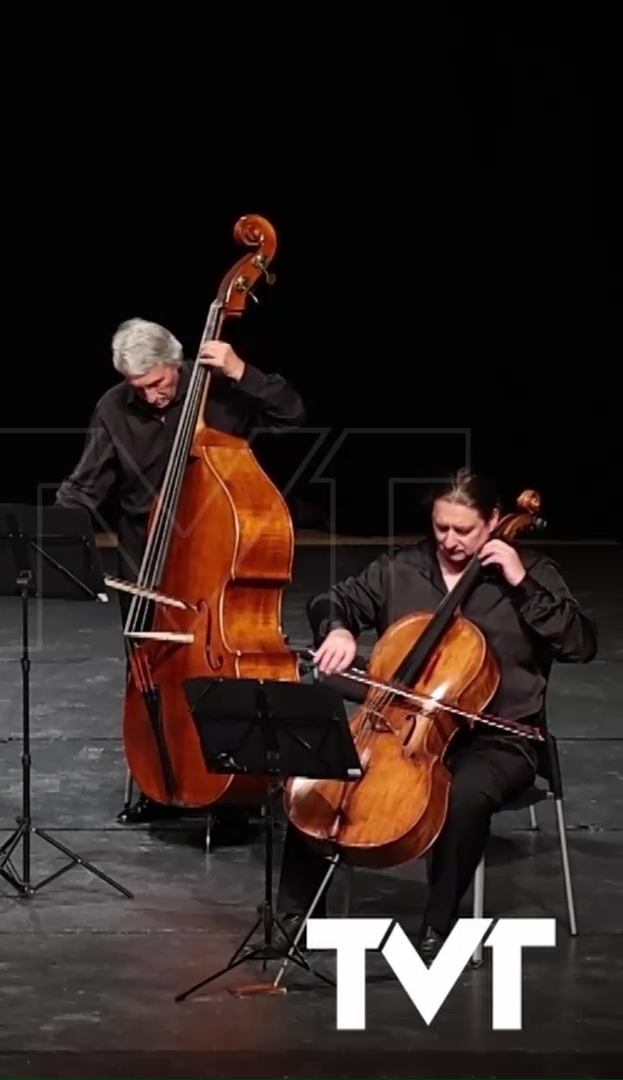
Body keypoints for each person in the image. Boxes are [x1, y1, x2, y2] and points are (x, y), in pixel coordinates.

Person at [277, 469, 597, 957]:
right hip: (400, 723)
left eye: (463, 530)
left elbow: (580, 644)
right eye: (440, 527)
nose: (449, 541)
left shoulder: (531, 574)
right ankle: (295, 918)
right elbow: (334, 599)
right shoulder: (402, 568)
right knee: (323, 772)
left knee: (465, 795)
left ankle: (439, 928)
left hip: (499, 738)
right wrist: (337, 628)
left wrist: (520, 579)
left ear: (493, 520)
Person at [53, 317, 307, 824]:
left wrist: (243, 371)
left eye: (158, 383)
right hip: (146, 558)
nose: (150, 397)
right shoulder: (112, 407)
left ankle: (233, 785)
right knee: (150, 672)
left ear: (176, 363)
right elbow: (86, 483)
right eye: (138, 388)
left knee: (222, 675)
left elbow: (293, 415)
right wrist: (57, 530)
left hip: (217, 557)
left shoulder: (217, 386)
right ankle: (161, 780)